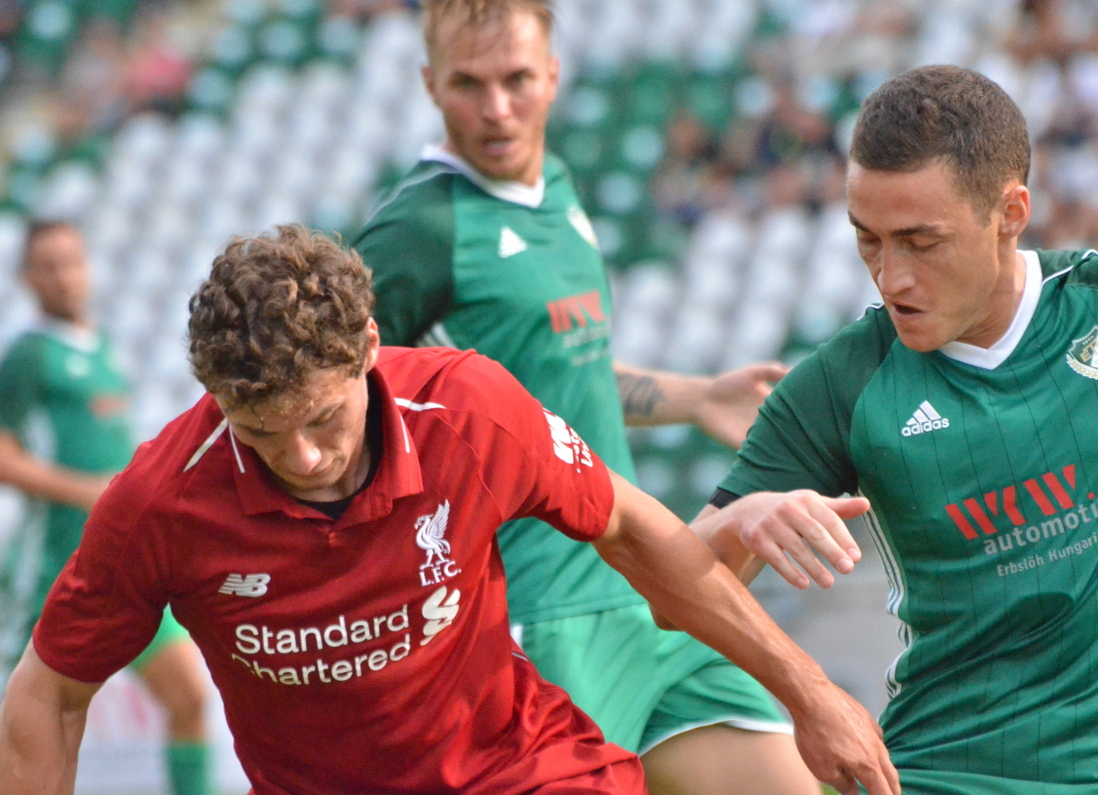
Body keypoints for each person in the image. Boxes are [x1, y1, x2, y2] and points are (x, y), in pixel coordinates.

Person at [0, 225, 898, 795]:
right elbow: (48, 693)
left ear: (368, 347)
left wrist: (811, 691)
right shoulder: (161, 500)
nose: (301, 457)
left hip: (519, 771)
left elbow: (632, 525)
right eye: (261, 432)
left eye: (322, 419)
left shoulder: (466, 410)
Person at [693, 64, 1098, 794]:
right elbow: (677, 580)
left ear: (1010, 212)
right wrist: (805, 683)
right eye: (868, 239)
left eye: (920, 242)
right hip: (946, 773)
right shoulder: (845, 381)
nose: (890, 276)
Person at [352, 3, 816, 792]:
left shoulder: (556, 189)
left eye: (517, 80)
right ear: (430, 84)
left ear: (553, 76)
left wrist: (696, 396)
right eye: (469, 84)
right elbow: (332, 403)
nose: (497, 107)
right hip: (541, 613)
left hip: (650, 585)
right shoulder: (419, 231)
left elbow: (555, 378)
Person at [0, 221, 212, 795]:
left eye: (71, 262)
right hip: (53, 561)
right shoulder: (28, 357)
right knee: (32, 724)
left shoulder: (102, 347)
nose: (64, 277)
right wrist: (88, 491)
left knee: (189, 698)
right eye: (48, 266)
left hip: (124, 559)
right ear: (27, 277)